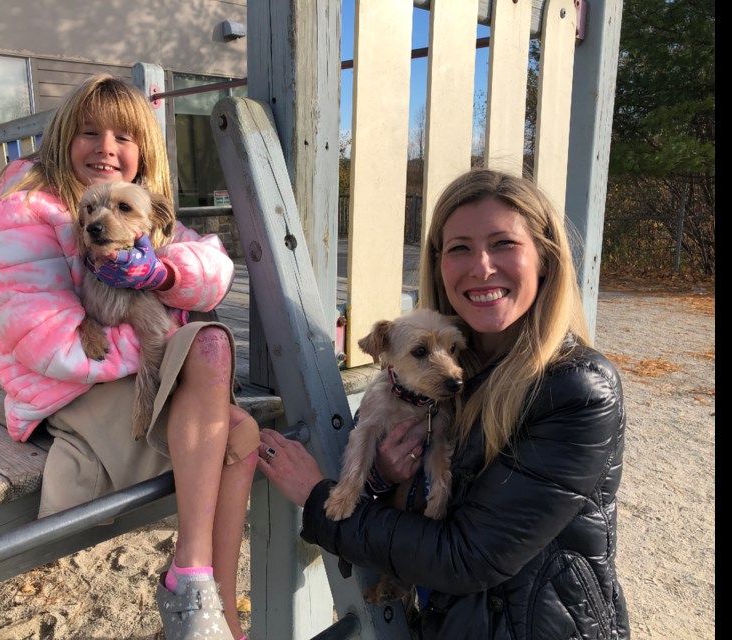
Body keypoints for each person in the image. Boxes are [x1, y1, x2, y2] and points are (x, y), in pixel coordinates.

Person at [257, 168, 630, 639]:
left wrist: (316, 498)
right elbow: (377, 462)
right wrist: (381, 474)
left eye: (503, 244)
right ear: (438, 265)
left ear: (545, 260)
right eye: (459, 248)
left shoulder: (577, 390)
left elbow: (466, 557)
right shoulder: (448, 374)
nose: (481, 266)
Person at [0, 74, 258, 640]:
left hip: (123, 374)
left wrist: (166, 273)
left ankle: (208, 601)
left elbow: (214, 272)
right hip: (65, 387)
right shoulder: (22, 213)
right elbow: (52, 343)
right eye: (89, 132)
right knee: (236, 436)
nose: (106, 146)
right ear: (61, 141)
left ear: (143, 150)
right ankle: (200, 592)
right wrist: (159, 338)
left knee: (227, 389)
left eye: (124, 136)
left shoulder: (143, 213)